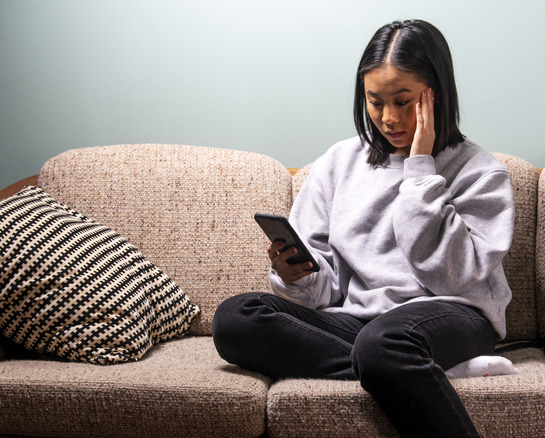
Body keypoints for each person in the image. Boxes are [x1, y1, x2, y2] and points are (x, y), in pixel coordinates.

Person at [212, 19, 514, 437]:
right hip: (362, 323)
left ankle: (401, 361)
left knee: (385, 343)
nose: (389, 118)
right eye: (375, 101)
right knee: (236, 318)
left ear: (436, 95)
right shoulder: (338, 163)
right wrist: (298, 276)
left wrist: (420, 171)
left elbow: (454, 276)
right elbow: (326, 292)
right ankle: (410, 369)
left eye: (403, 101)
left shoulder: (480, 172)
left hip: (455, 315)